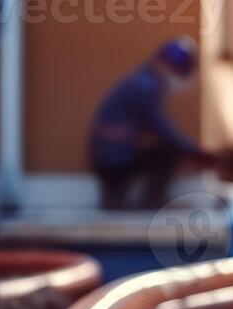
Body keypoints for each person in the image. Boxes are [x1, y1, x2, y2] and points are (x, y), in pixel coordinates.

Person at [88, 37, 216, 210]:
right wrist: (196, 151)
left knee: (168, 146)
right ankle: (148, 201)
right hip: (113, 160)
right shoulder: (145, 86)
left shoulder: (143, 80)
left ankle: (118, 199)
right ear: (164, 64)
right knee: (170, 148)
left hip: (111, 156)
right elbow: (163, 129)